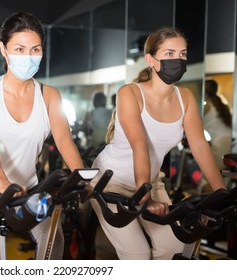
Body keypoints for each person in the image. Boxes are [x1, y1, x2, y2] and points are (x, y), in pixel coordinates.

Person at [90, 27, 227, 260]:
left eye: (182, 54)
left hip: (150, 182)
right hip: (111, 183)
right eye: (170, 54)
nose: (178, 60)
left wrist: (220, 191)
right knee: (138, 254)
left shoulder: (185, 97)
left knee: (171, 249)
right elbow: (139, 144)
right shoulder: (130, 93)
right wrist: (146, 199)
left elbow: (200, 145)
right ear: (151, 60)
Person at [0, 11, 84, 260]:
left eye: (35, 50)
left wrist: (82, 177)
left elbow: (63, 140)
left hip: (29, 187)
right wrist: (3, 183)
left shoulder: (50, 95)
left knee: (53, 244)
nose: (28, 56)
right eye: (19, 48)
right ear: (3, 49)